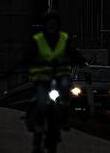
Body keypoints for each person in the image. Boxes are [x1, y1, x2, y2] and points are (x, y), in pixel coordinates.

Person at [19, 11, 87, 151]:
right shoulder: (38, 40)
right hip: (43, 79)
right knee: (42, 103)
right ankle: (37, 126)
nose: (51, 26)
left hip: (60, 77)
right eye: (49, 24)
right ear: (44, 26)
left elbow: (72, 52)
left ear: (58, 26)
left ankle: (64, 118)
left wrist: (81, 60)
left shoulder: (63, 38)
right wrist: (25, 61)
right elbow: (29, 54)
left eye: (54, 24)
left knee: (65, 94)